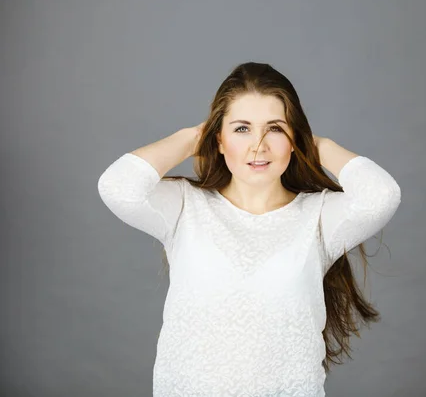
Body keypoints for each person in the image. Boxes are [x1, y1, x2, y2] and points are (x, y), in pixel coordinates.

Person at [97, 62, 401, 397]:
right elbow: (118, 186)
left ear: (294, 139)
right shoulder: (185, 206)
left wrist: (317, 146)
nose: (258, 145)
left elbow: (381, 197)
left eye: (275, 129)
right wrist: (190, 139)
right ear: (220, 139)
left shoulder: (320, 217)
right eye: (242, 129)